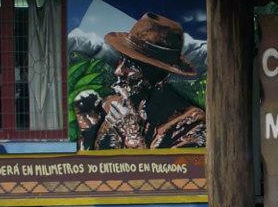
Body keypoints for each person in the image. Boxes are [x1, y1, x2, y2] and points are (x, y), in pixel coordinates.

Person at [73, 12, 205, 150]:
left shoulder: (193, 124)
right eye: (121, 60)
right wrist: (88, 131)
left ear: (158, 73)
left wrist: (130, 134)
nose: (118, 71)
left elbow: (176, 170)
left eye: (131, 65)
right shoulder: (113, 106)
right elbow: (92, 167)